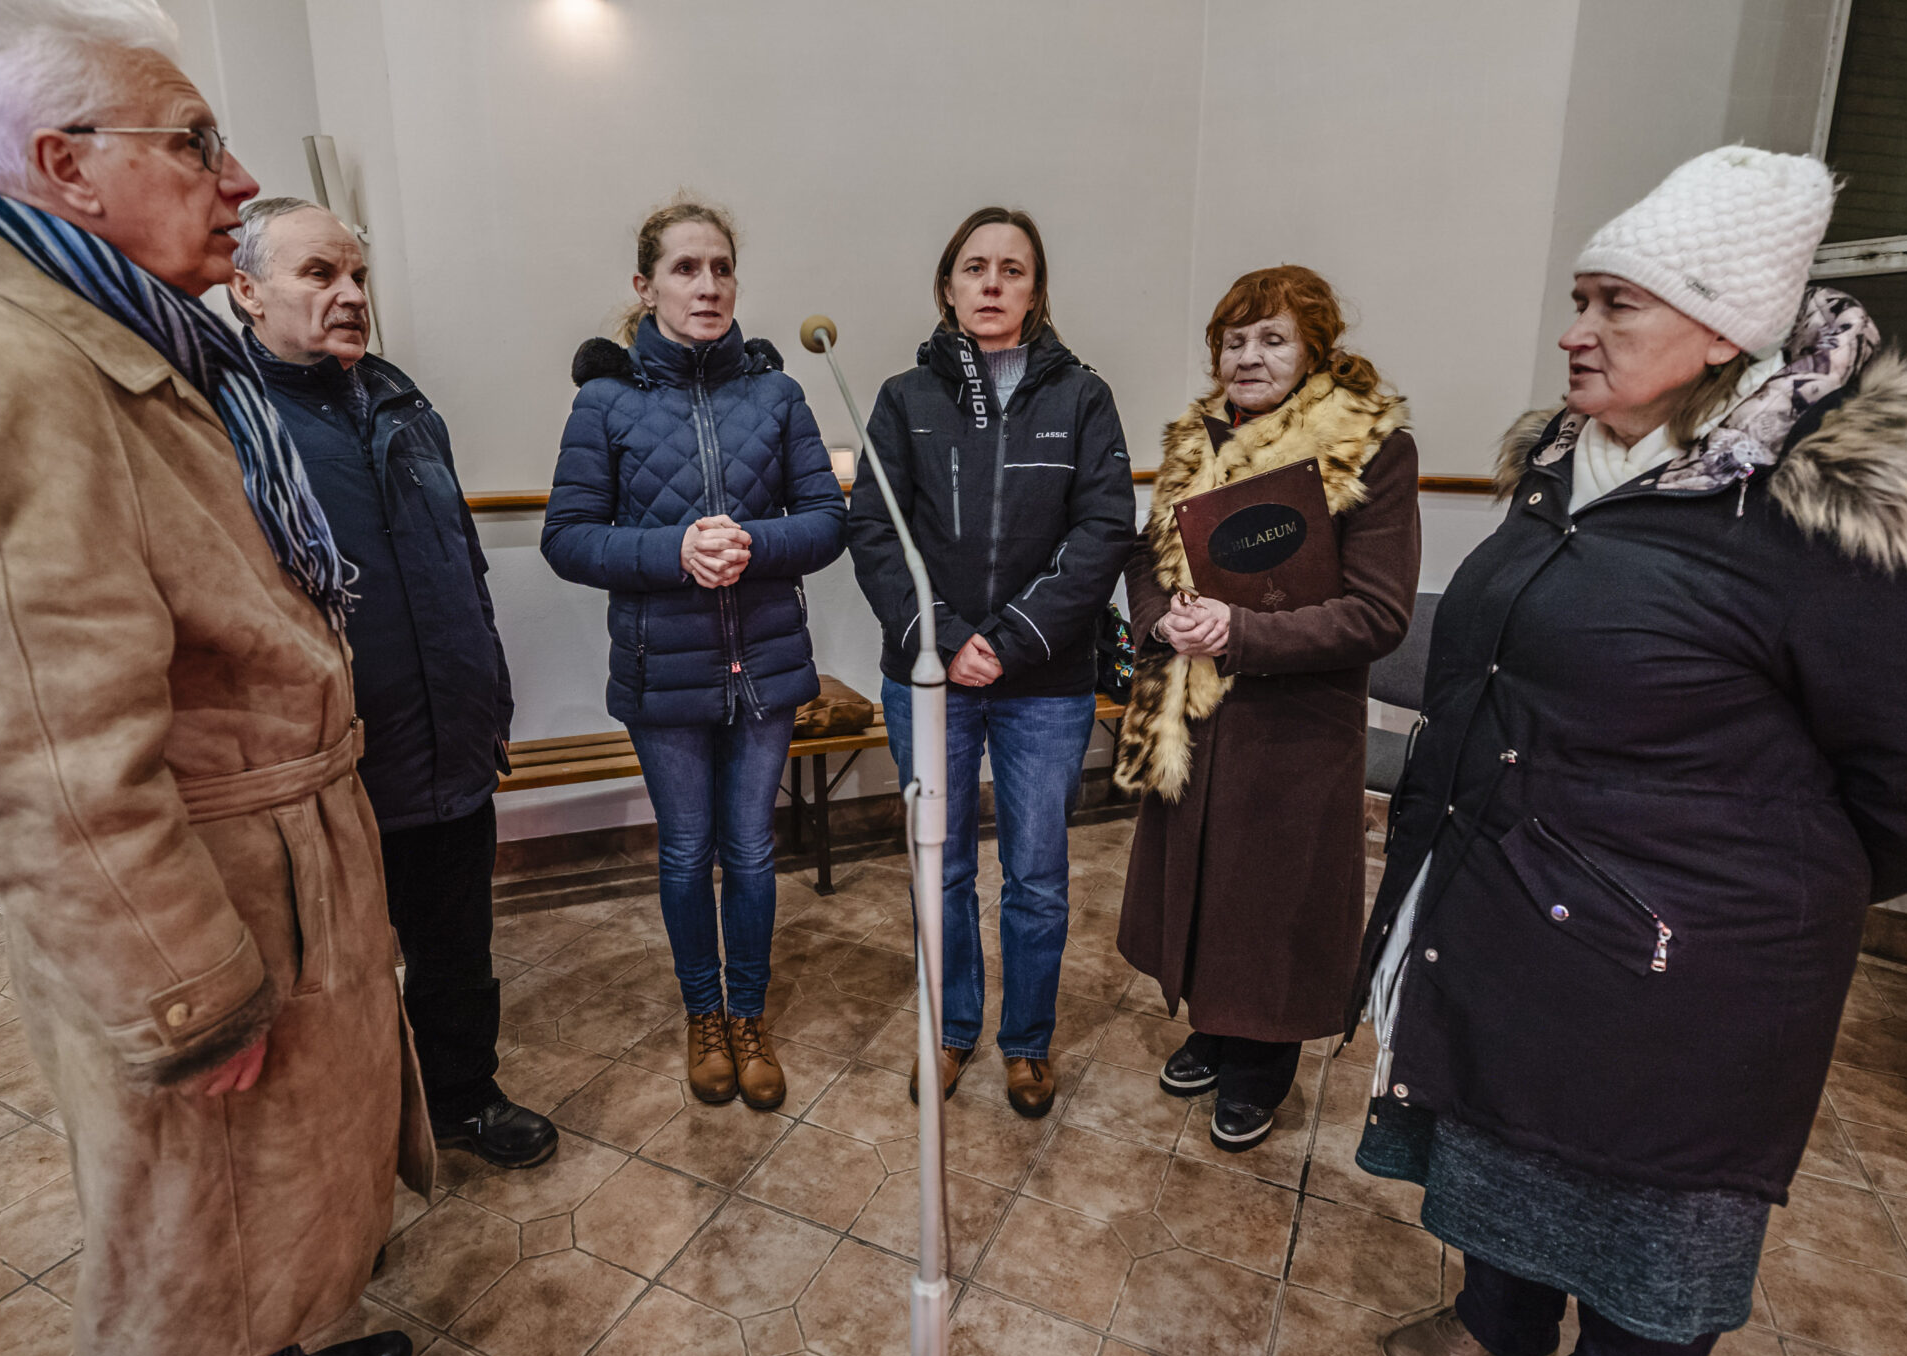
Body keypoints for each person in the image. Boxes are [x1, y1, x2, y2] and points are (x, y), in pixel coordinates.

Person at [1350, 147, 1907, 1356]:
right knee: (1501, 1126)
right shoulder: (1571, 461)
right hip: (1519, 893)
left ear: (1723, 332)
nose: (1575, 328)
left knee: (1653, 1204)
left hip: (1695, 948)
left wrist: (1770, 885)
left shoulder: (1840, 511)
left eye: (1615, 303)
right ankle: (1501, 1314)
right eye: (1580, 297)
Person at [0, 0, 428, 1356]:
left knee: (245, 1226)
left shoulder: (131, 336)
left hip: (265, 856)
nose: (238, 181)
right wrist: (184, 994)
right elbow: (43, 758)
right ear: (64, 164)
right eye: (195, 142)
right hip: (190, 904)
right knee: (177, 1258)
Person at [231, 196, 555, 1171]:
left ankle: (462, 1097)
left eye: (358, 275)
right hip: (328, 760)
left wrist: (486, 693)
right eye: (318, 273)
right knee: (337, 976)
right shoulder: (225, 421)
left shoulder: (404, 407)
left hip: (446, 738)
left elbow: (459, 561)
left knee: (457, 948)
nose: (350, 294)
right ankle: (355, 1146)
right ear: (246, 291)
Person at [543, 198, 846, 1109]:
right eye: (685, 268)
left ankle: (748, 1015)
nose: (707, 285)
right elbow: (569, 537)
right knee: (686, 850)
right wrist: (674, 550)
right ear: (645, 287)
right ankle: (702, 1014)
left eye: (720, 267)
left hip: (767, 661)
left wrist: (754, 542)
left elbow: (827, 520)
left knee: (750, 849)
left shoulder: (776, 394)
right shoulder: (604, 402)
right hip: (661, 665)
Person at [1115, 265, 1417, 1154]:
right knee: (1205, 889)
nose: (1248, 356)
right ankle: (1214, 1026)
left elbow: (1379, 613)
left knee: (1271, 905)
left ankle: (1261, 1064)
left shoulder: (1370, 447)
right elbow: (1147, 559)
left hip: (1295, 729)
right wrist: (1159, 619)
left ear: (1314, 349)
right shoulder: (1196, 440)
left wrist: (1239, 631)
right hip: (1193, 716)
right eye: (1234, 340)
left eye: (1273, 338)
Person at [848, 207, 1137, 1116]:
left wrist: (1007, 641)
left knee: (1037, 876)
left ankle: (1027, 1042)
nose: (993, 283)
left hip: (1044, 684)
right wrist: (944, 636)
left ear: (1036, 290)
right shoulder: (904, 398)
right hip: (929, 676)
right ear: (948, 285)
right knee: (939, 869)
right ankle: (950, 1028)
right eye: (975, 267)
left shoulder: (1083, 398)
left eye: (1013, 270)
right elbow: (876, 531)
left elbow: (1104, 532)